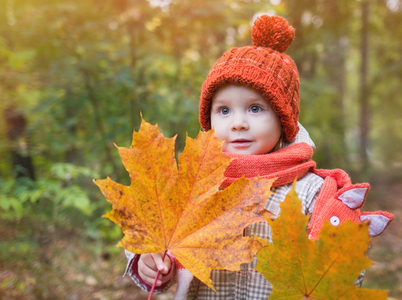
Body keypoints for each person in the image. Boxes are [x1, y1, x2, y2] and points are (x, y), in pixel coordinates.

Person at [123, 15, 390, 299]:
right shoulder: (196, 187)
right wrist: (150, 263)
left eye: (255, 108)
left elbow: (342, 268)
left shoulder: (312, 192)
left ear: (283, 120)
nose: (238, 123)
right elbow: (164, 246)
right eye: (224, 110)